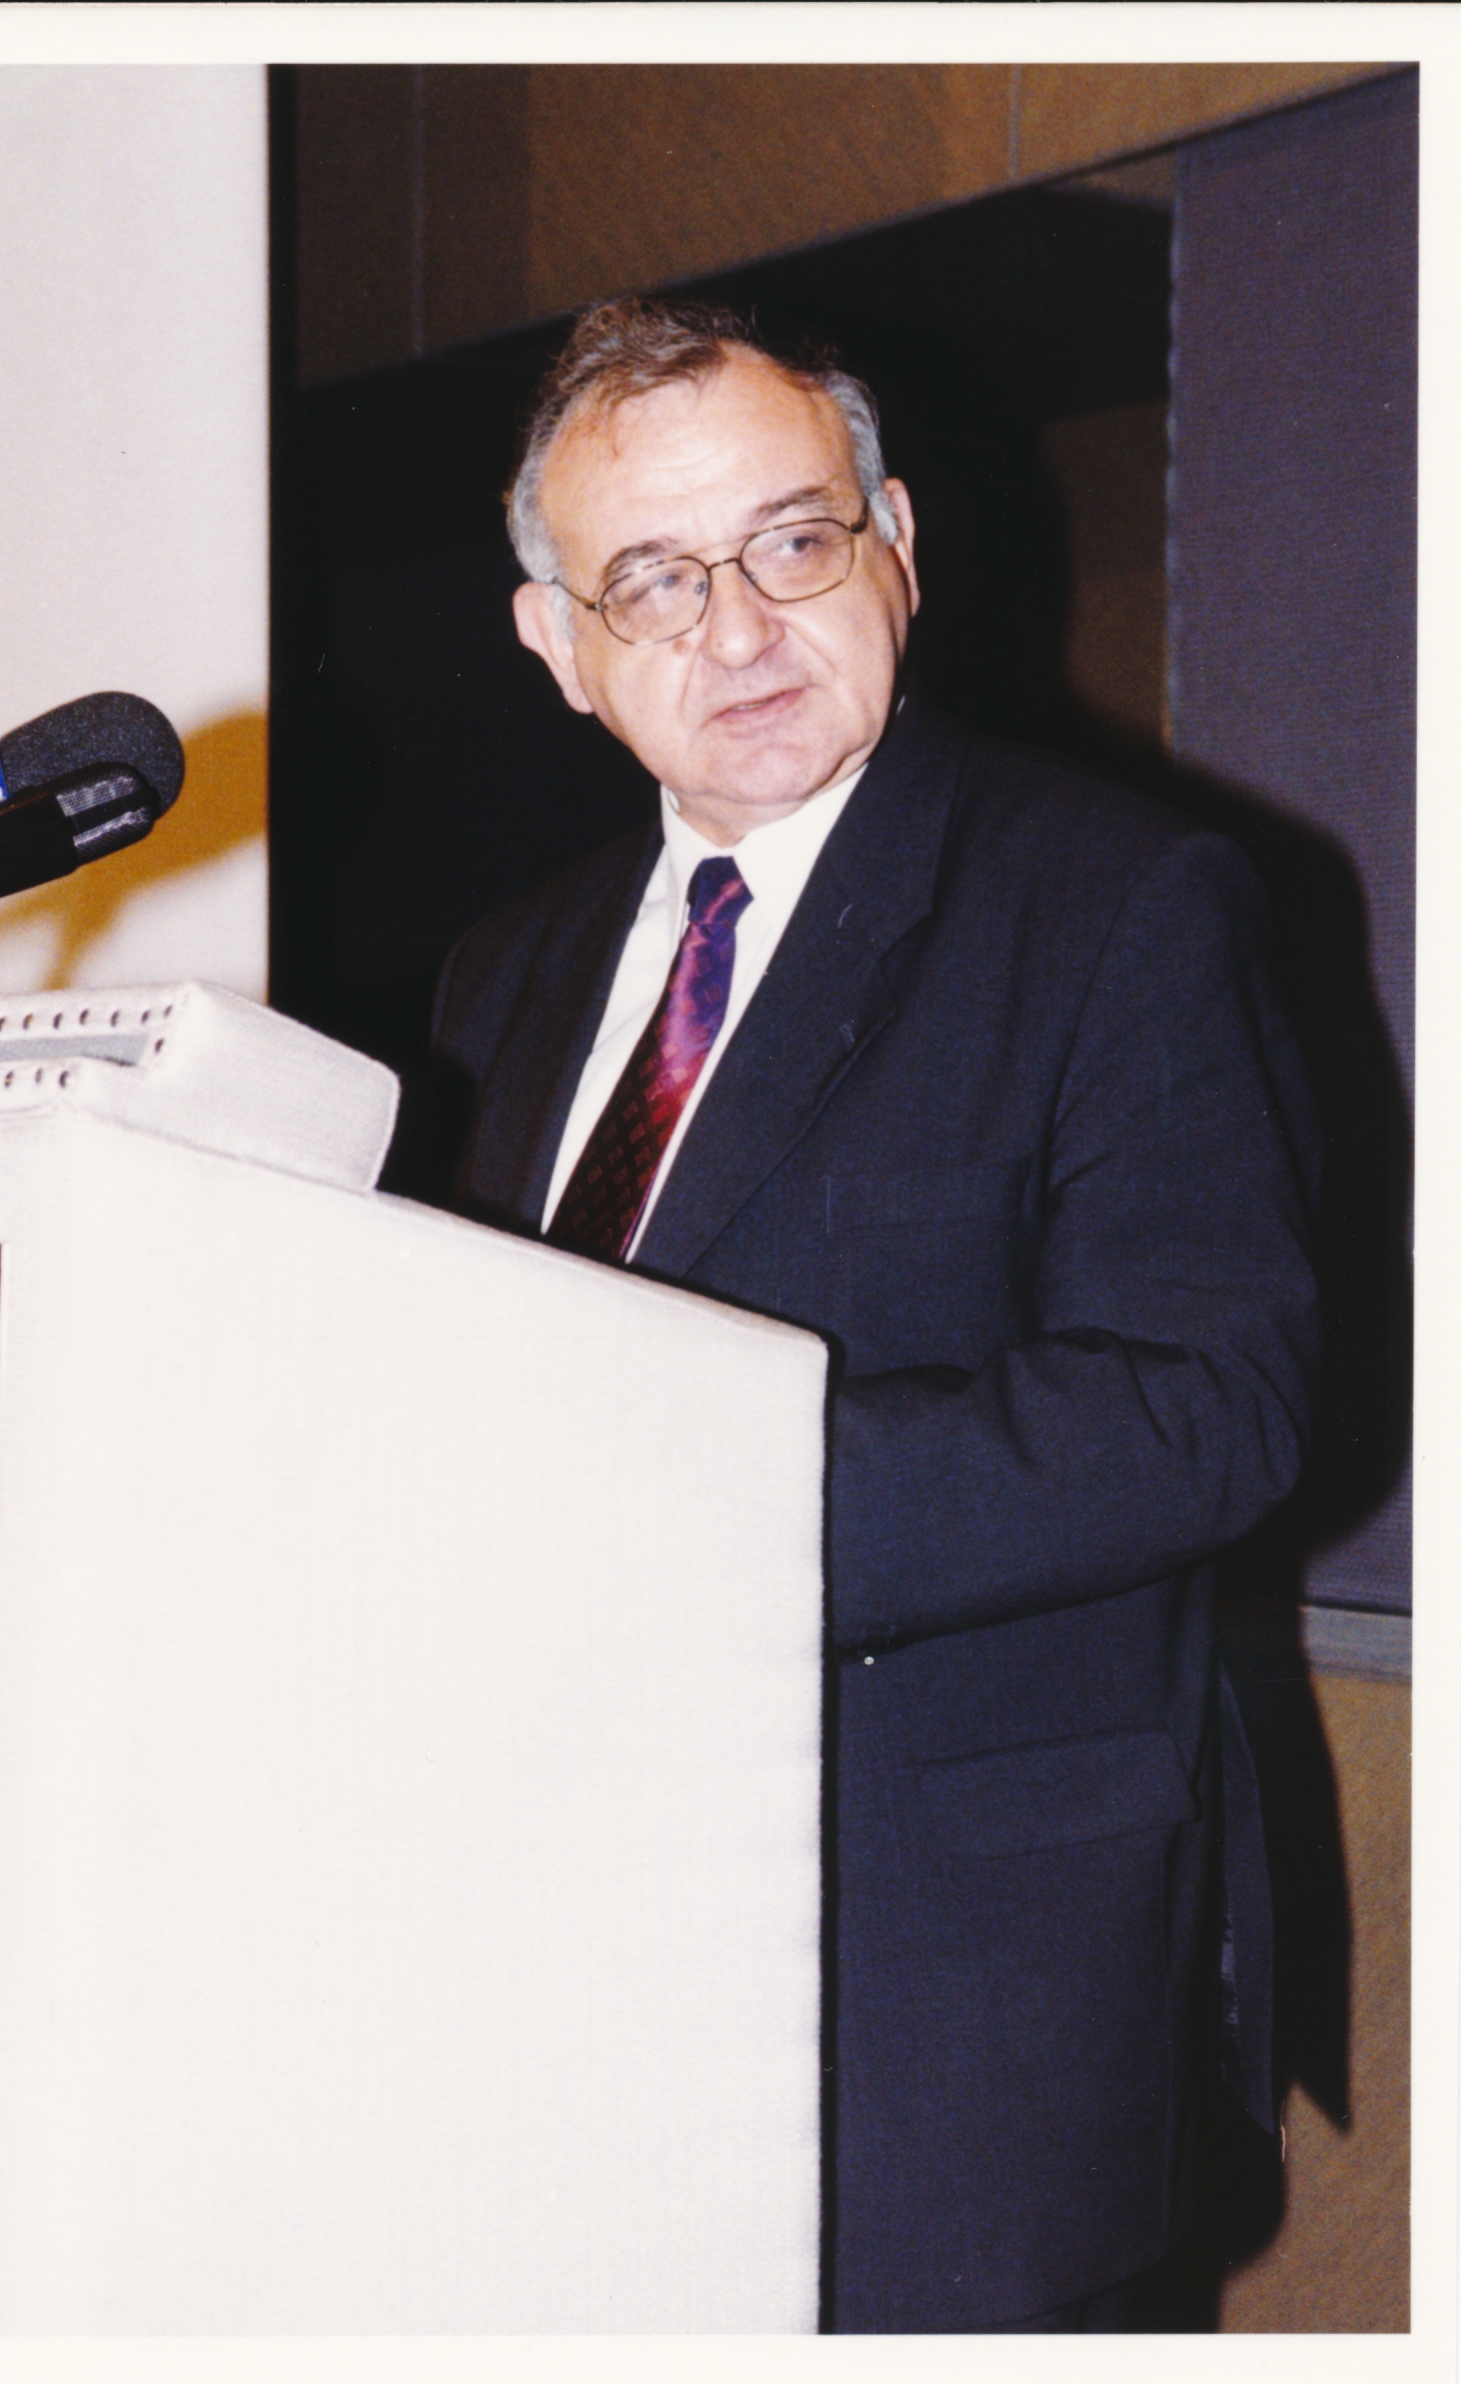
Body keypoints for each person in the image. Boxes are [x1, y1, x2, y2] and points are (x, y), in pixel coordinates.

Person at [426, 297, 1318, 2332]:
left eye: (791, 541)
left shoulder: (1114, 900)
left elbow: (1211, 1402)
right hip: (556, 1962)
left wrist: (688, 1507)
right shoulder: (503, 970)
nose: (738, 628)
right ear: (557, 645)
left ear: (894, 543)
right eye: (654, 579)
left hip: (946, 2003)